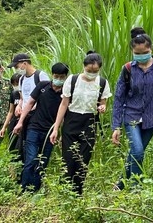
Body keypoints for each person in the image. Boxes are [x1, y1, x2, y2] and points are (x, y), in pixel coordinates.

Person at [111, 32, 153, 190]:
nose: (141, 56)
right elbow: (119, 98)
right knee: (138, 151)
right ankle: (136, 190)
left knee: (136, 153)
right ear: (132, 52)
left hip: (151, 118)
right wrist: (116, 126)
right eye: (137, 54)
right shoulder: (127, 69)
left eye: (145, 53)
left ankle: (120, 184)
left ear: (151, 49)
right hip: (131, 116)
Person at [50, 52, 111, 195]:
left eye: (95, 71)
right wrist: (56, 128)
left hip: (89, 122)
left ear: (99, 70)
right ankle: (65, 192)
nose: (91, 74)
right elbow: (64, 104)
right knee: (69, 158)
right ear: (83, 67)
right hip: (71, 121)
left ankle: (77, 193)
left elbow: (103, 103)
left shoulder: (102, 83)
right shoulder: (72, 80)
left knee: (83, 160)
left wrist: (102, 108)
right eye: (89, 71)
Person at [14, 62, 69, 192]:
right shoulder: (43, 86)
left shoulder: (67, 93)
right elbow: (30, 103)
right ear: (52, 75)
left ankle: (35, 190)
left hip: (50, 132)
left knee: (43, 161)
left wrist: (59, 132)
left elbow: (66, 114)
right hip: (34, 127)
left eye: (62, 77)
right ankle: (24, 188)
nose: (59, 79)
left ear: (66, 77)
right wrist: (20, 122)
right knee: (31, 159)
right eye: (56, 76)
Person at [10, 53, 50, 160]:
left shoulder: (40, 75)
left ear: (24, 63)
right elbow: (23, 98)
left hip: (37, 115)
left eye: (16, 66)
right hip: (25, 114)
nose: (16, 69)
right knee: (24, 142)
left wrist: (33, 106)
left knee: (35, 142)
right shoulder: (22, 79)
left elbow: (46, 96)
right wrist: (19, 106)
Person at [0, 72, 23, 158]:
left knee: (20, 145)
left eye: (17, 84)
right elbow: (10, 111)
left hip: (23, 122)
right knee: (12, 144)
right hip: (13, 121)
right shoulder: (13, 94)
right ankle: (12, 164)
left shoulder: (27, 94)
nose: (16, 86)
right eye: (14, 84)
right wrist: (4, 127)